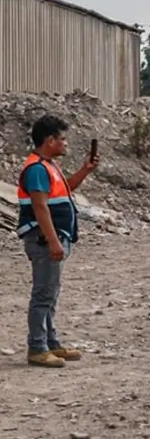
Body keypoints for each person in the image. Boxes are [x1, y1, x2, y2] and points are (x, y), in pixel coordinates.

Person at [15, 115, 99, 368]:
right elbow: (40, 208)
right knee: (43, 294)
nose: (65, 144)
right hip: (43, 241)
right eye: (62, 139)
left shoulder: (47, 166)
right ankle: (37, 347)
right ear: (49, 140)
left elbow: (65, 190)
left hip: (51, 239)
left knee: (50, 293)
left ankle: (51, 343)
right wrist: (53, 241)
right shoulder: (37, 169)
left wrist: (85, 170)